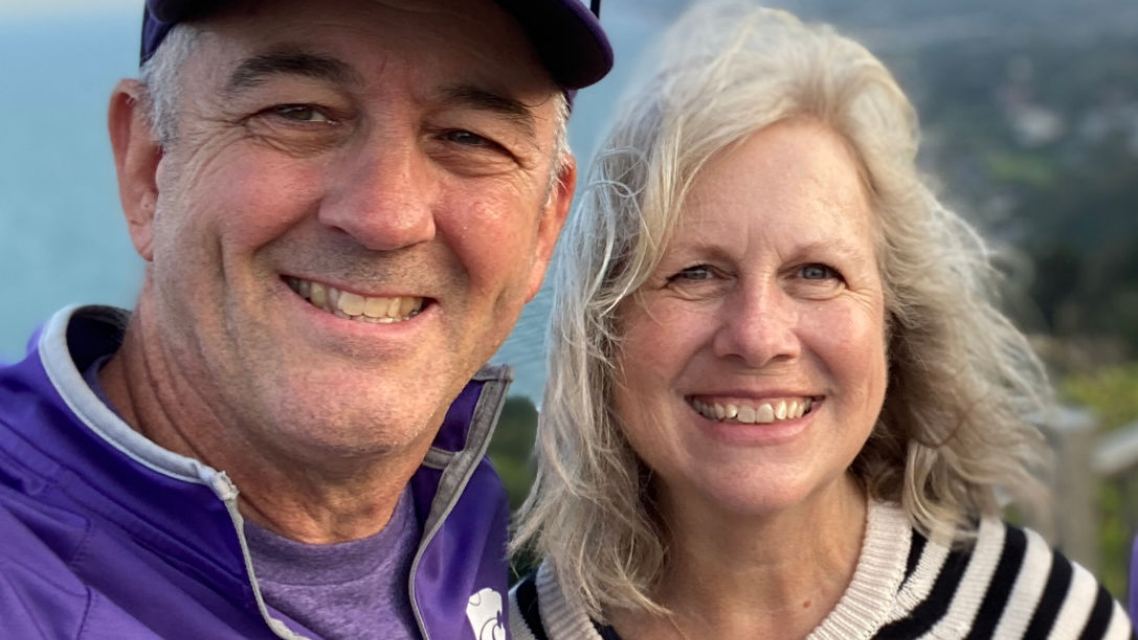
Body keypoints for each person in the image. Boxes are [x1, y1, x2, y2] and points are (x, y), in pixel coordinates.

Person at [510, 2, 1131, 639]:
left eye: (816, 273)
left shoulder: (1040, 618)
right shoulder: (497, 628)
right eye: (695, 273)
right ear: (603, 326)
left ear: (893, 323)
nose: (757, 337)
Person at [0, 0, 611, 638]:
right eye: (298, 112)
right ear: (148, 166)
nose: (386, 217)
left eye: (469, 138)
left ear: (545, 226)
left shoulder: (456, 498)